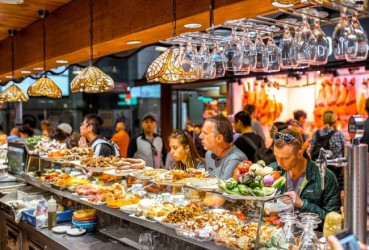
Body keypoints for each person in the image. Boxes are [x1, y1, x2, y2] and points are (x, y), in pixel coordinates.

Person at [270, 128, 341, 221]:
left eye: (285, 158)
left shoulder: (325, 176)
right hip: (276, 231)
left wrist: (303, 204)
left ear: (300, 153)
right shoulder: (273, 170)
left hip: (310, 233)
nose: (279, 163)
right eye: (276, 157)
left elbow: (333, 219)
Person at [199, 115, 247, 180]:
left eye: (205, 133)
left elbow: (223, 188)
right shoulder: (209, 154)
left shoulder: (235, 158)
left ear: (219, 138)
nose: (200, 136)